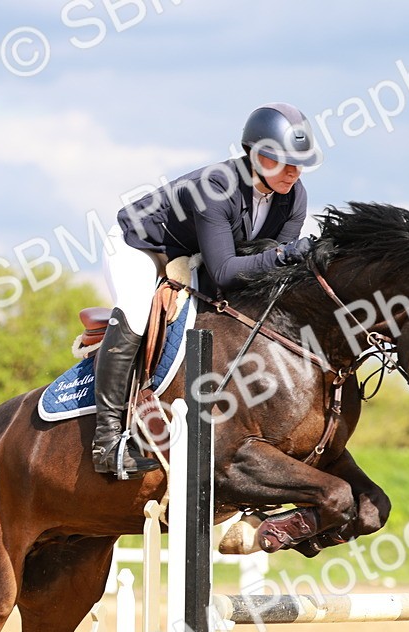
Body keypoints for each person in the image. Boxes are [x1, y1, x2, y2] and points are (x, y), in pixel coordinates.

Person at [92, 102, 323, 478]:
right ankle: (107, 441)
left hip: (196, 253)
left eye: (300, 164)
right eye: (285, 162)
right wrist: (284, 255)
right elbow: (226, 273)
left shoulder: (294, 196)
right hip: (143, 245)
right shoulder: (215, 187)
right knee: (136, 311)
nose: (294, 172)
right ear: (257, 156)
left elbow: (266, 274)